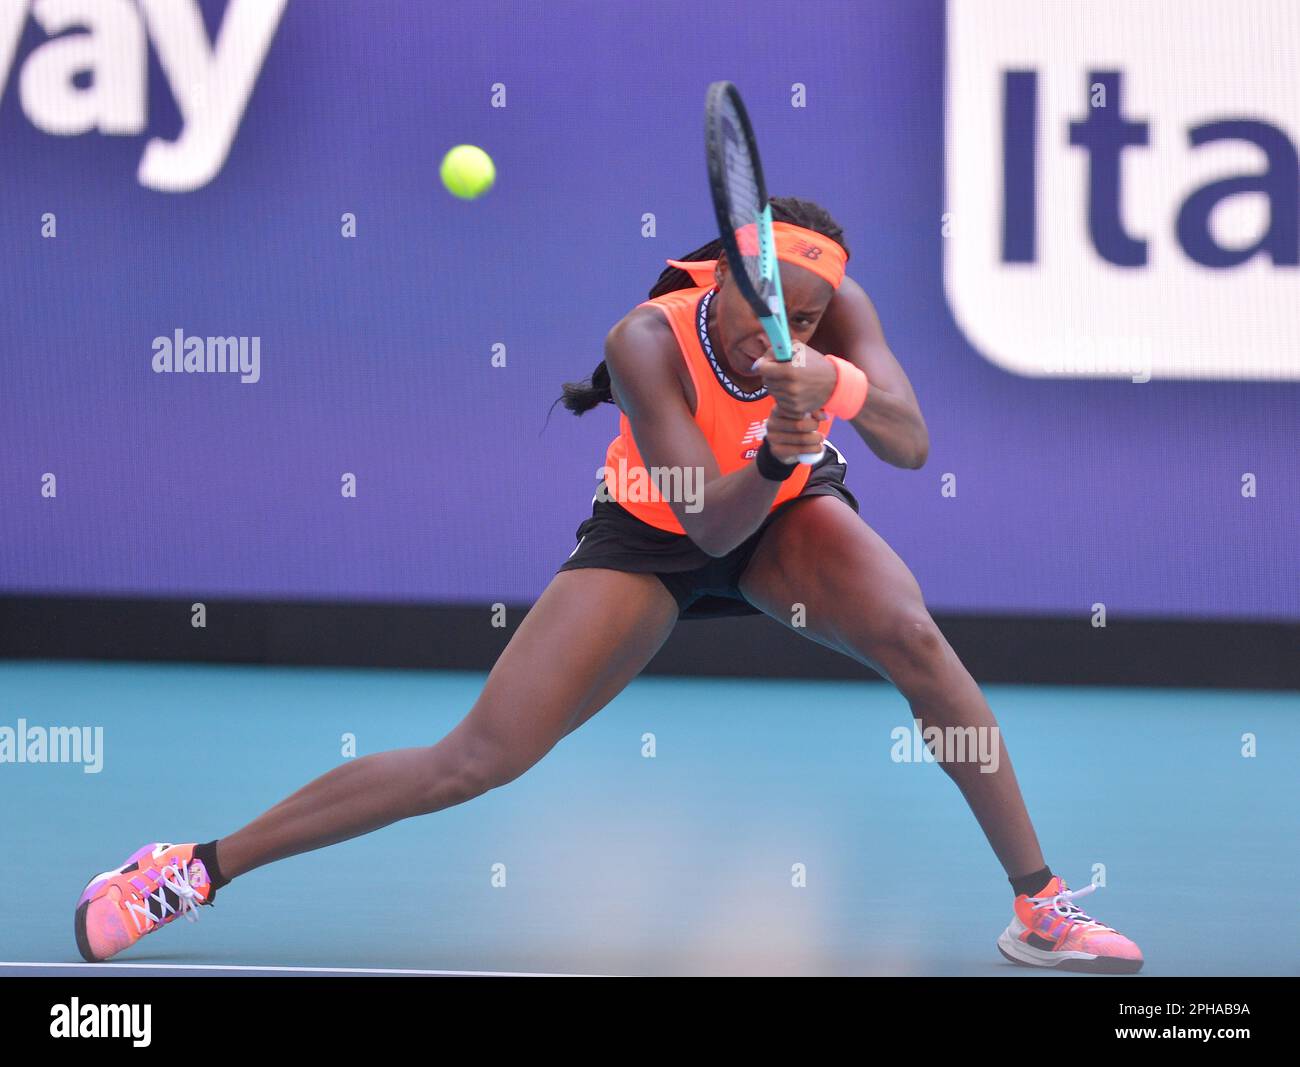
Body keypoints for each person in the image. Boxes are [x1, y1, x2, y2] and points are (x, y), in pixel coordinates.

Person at [74, 197, 1142, 974]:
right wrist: (774, 446)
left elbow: (907, 442)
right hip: (656, 530)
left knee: (913, 638)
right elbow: (705, 518)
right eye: (768, 302)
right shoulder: (643, 339)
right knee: (473, 761)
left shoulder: (833, 315)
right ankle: (192, 867)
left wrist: (834, 383)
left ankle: (1038, 905)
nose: (785, 324)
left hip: (790, 518)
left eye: (808, 317)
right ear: (718, 272)